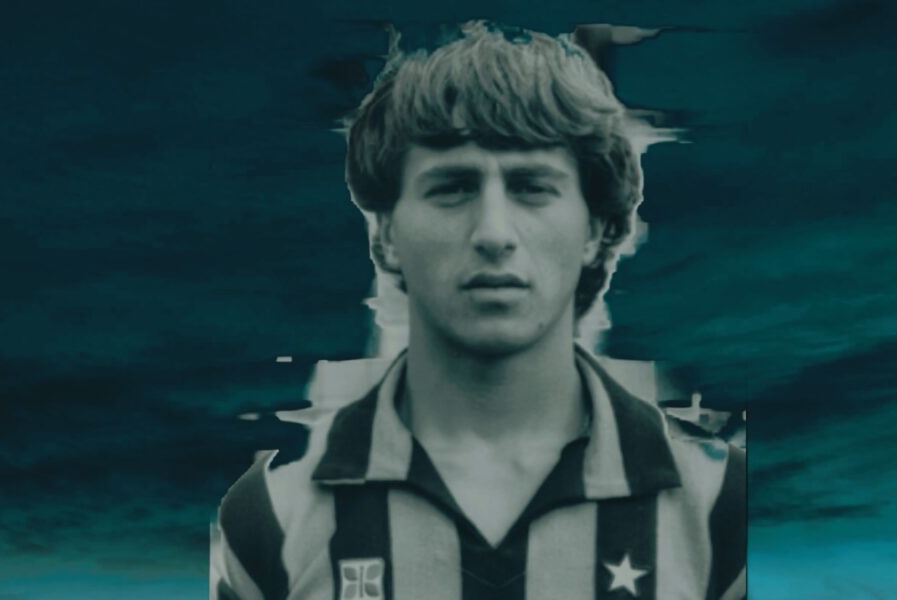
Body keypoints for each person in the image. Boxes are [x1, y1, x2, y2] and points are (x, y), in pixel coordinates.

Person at [211, 21, 745, 600]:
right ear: (386, 233)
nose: (493, 233)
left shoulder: (721, 505)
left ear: (595, 230)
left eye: (532, 187)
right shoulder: (270, 512)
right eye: (452, 188)